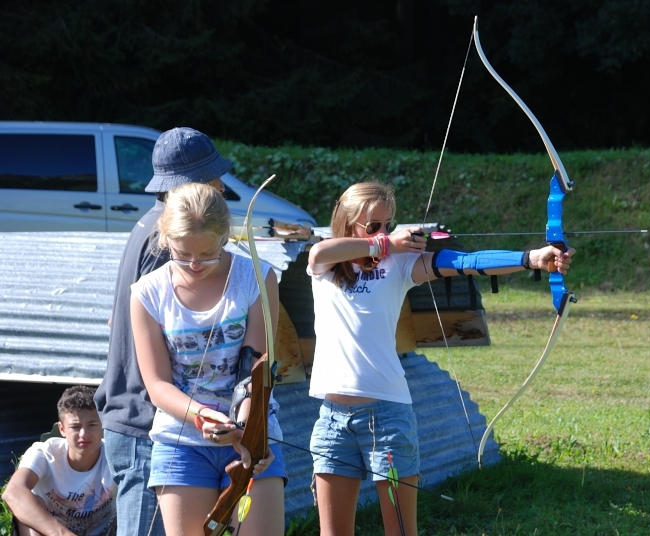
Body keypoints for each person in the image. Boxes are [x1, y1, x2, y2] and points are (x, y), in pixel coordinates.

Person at [306, 181, 575, 536]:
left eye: (388, 225)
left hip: (386, 419)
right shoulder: (326, 265)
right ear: (346, 222)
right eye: (373, 226)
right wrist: (386, 242)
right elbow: (317, 253)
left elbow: (466, 263)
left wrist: (530, 259)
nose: (383, 232)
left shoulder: (400, 265)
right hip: (332, 421)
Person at [93, 127, 233, 536]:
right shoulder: (165, 243)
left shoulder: (152, 226)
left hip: (137, 416)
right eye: (211, 177)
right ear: (188, 186)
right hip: (145, 421)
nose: (221, 186)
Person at [130, 182, 286, 536]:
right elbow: (156, 385)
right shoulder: (147, 294)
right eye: (182, 254)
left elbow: (254, 368)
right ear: (165, 238)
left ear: (225, 237)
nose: (195, 265)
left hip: (252, 436)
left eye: (208, 254)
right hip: (181, 442)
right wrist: (202, 416)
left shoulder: (258, 277)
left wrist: (244, 429)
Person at [3, 386, 117, 536]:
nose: (84, 434)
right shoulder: (45, 453)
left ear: (103, 424)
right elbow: (12, 493)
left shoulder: (116, 455)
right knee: (30, 504)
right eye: (75, 427)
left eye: (92, 425)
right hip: (50, 533)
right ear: (62, 429)